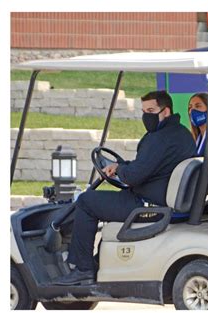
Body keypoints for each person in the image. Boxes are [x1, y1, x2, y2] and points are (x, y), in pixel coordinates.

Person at [54, 90, 196, 285]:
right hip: (159, 198)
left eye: (151, 110)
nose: (147, 115)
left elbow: (135, 176)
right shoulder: (181, 133)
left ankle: (83, 269)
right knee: (106, 201)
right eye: (144, 110)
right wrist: (122, 166)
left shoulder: (159, 138)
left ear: (166, 111)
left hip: (147, 205)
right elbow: (148, 166)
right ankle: (99, 261)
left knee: (87, 202)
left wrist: (121, 169)